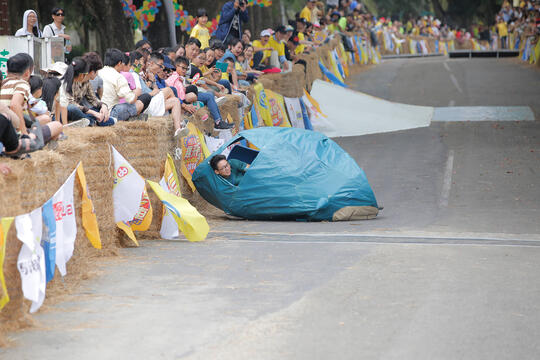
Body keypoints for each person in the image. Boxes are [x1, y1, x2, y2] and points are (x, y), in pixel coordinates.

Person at [0, 53, 62, 142]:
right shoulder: (22, 84)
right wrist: (24, 134)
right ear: (27, 73)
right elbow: (15, 105)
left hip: (4, 128)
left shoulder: (3, 83)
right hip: (13, 134)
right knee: (57, 126)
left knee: (45, 119)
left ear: (6, 71)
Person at [98, 48, 151, 121]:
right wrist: (136, 92)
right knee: (145, 98)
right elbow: (131, 99)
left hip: (99, 111)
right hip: (112, 113)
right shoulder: (118, 77)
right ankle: (132, 119)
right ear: (119, 63)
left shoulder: (98, 72)